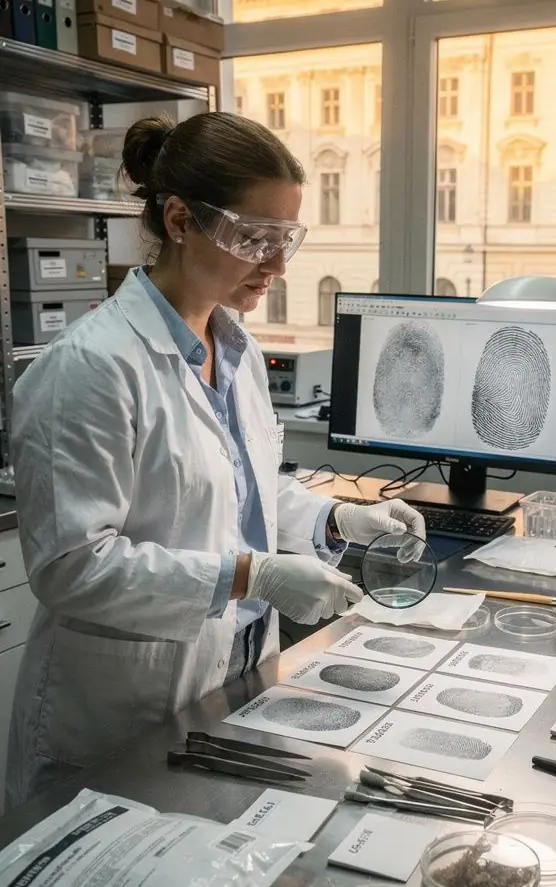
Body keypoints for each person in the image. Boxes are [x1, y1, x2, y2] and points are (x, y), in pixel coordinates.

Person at [5, 111, 424, 808]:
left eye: (285, 239)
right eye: (254, 238)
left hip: (227, 685)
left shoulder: (237, 352)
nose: (277, 266)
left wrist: (343, 520)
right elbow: (71, 567)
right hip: (121, 711)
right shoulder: (89, 368)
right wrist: (247, 575)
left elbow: (245, 494)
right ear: (179, 220)